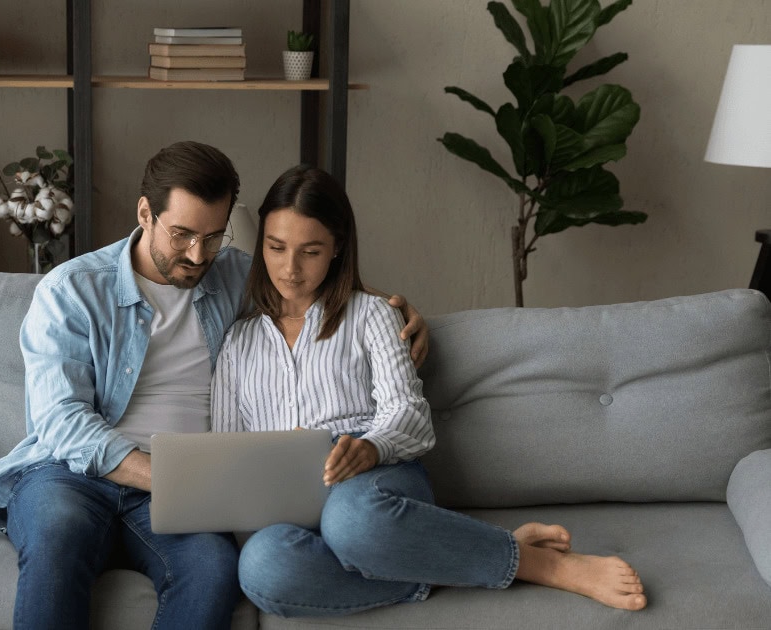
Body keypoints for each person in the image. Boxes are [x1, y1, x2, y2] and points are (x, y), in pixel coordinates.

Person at [0, 141, 429, 630]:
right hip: (71, 476)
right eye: (182, 234)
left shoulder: (234, 274)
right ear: (145, 213)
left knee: (212, 569)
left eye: (213, 237)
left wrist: (400, 310)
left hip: (184, 490)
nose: (197, 254)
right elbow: (60, 420)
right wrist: (163, 475)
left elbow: (317, 282)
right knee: (57, 535)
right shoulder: (72, 290)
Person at [211, 164, 648, 617]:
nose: (290, 269)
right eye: (276, 247)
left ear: (338, 248)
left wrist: (371, 448)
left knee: (351, 521)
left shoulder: (371, 315)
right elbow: (224, 452)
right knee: (262, 566)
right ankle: (462, 559)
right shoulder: (238, 343)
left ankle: (539, 566)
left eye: (311, 251)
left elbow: (410, 414)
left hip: (373, 487)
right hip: (287, 511)